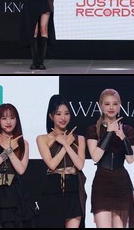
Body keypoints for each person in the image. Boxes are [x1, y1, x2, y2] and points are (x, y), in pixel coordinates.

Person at [0, 103, 38, 227]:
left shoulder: (23, 143)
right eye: (4, 118)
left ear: (17, 120)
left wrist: (10, 150)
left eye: (12, 118)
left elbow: (21, 170)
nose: (8, 122)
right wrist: (7, 150)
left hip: (14, 191)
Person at [87, 89, 134, 228]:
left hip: (121, 184)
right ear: (101, 106)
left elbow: (130, 159)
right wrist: (108, 133)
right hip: (102, 183)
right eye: (107, 104)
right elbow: (95, 156)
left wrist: (123, 138)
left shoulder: (127, 130)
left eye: (115, 104)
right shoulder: (93, 129)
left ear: (119, 106)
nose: (111, 107)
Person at [36, 95, 86, 228]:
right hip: (53, 187)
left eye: (66, 113)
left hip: (74, 187)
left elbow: (80, 165)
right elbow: (52, 164)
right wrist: (64, 145)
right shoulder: (43, 139)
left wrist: (67, 144)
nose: (63, 118)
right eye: (58, 114)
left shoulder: (79, 139)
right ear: (51, 116)